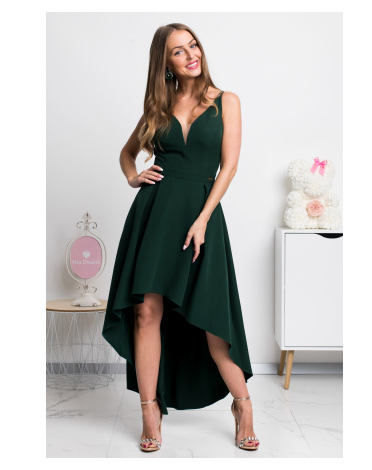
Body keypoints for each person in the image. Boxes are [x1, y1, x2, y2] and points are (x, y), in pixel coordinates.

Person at [102, 23, 260, 452]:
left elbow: (229, 166)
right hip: (154, 216)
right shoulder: (158, 107)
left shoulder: (227, 101)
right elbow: (127, 153)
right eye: (178, 51)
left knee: (211, 318)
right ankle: (149, 411)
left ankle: (243, 405)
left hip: (201, 216)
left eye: (193, 45)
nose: (191, 55)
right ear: (165, 62)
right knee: (146, 313)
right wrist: (134, 176)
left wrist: (204, 218)